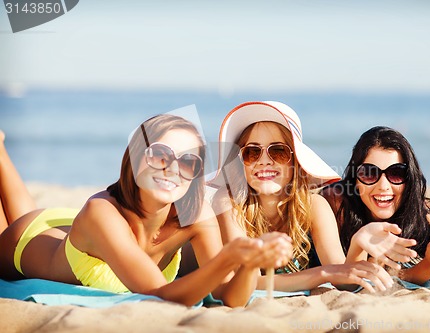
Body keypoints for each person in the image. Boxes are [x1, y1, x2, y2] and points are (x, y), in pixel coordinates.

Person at [0, 114, 293, 308]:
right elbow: (159, 295)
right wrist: (229, 257)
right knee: (20, 219)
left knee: (29, 208)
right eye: (159, 155)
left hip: (75, 231)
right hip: (24, 240)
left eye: (188, 162)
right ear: (136, 156)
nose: (172, 169)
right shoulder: (99, 211)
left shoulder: (196, 217)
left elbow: (229, 298)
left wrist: (250, 261)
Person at [211, 101, 400, 293]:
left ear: (297, 160)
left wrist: (358, 244)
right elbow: (244, 283)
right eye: (252, 152)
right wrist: (322, 274)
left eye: (278, 151)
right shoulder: (228, 201)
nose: (264, 161)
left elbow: (343, 279)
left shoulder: (313, 205)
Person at [321, 126, 430, 288]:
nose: (383, 186)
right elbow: (342, 280)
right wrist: (423, 270)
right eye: (369, 173)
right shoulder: (334, 202)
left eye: (396, 173)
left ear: (410, 179)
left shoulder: (418, 209)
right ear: (355, 179)